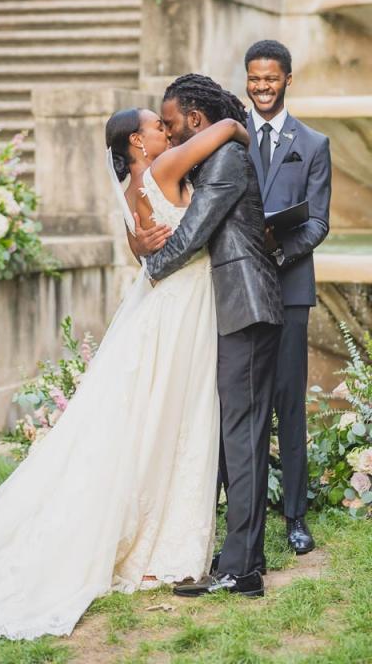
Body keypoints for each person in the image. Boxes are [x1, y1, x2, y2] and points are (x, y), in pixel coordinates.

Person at [0, 103, 250, 639]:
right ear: (137, 144)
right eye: (156, 126)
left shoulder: (131, 190)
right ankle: (161, 547)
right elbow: (221, 132)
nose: (165, 130)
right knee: (179, 420)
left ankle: (157, 542)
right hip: (179, 312)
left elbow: (142, 249)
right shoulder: (166, 170)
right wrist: (240, 123)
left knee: (161, 422)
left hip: (164, 308)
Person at [143, 74, 284, 598]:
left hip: (246, 309)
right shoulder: (216, 155)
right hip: (238, 310)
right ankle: (245, 553)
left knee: (241, 440)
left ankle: (241, 571)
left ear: (196, 120)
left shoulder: (224, 161)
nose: (172, 134)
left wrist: (150, 267)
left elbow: (195, 231)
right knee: (235, 440)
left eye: (174, 124)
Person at [244, 40, 331, 555]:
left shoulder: (314, 143)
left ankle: (296, 517)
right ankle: (245, 512)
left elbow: (318, 221)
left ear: (288, 80)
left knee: (288, 405)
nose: (262, 87)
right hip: (239, 291)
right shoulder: (231, 142)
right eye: (254, 79)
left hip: (291, 290)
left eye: (271, 78)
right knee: (244, 404)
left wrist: (276, 252)